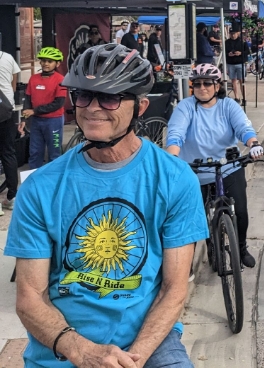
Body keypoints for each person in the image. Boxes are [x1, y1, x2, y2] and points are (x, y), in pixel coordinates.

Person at [6, 43, 207, 367]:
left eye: (109, 97)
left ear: (140, 107)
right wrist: (82, 351)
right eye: (83, 95)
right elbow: (30, 299)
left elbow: (173, 289)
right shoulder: (41, 188)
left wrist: (133, 359)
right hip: (64, 345)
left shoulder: (174, 179)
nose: (92, 107)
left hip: (148, 340)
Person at [166, 63, 263, 267]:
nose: (202, 88)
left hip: (227, 167)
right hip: (195, 170)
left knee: (242, 212)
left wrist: (253, 144)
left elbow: (243, 128)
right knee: (191, 219)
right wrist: (171, 158)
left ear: (217, 85)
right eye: (197, 84)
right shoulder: (186, 106)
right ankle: (188, 262)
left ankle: (242, 248)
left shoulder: (228, 106)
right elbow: (176, 134)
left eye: (207, 83)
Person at [19, 47, 67, 169]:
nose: (46, 64)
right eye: (43, 60)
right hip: (36, 122)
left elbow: (58, 103)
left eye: (50, 61)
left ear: (57, 63)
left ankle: (53, 182)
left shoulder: (60, 79)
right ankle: (33, 182)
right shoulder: (33, 78)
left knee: (54, 154)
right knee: (35, 152)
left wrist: (34, 111)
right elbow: (28, 100)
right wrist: (24, 119)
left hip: (53, 122)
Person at [0, 49, 21, 212]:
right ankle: (12, 196)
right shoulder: (7, 57)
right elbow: (13, 85)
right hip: (6, 111)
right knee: (8, 152)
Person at [225, 29, 247, 102]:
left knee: (241, 80)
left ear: (238, 33)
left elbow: (247, 51)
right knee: (233, 80)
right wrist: (229, 54)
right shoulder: (227, 42)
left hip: (240, 62)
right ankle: (236, 97)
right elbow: (225, 52)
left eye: (234, 33)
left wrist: (240, 53)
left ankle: (244, 97)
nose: (233, 35)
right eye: (231, 33)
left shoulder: (242, 42)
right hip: (231, 63)